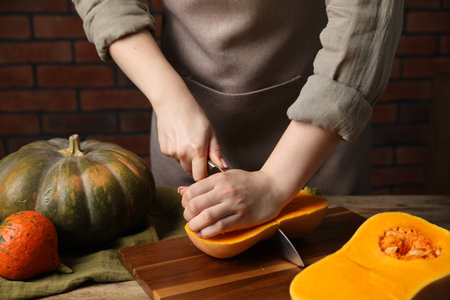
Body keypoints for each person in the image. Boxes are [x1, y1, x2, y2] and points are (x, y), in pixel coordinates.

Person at [73, 0, 404, 238]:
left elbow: (366, 22)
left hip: (320, 140)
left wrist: (275, 183)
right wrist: (169, 98)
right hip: (187, 131)